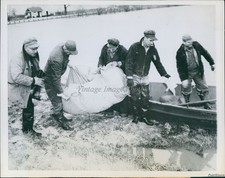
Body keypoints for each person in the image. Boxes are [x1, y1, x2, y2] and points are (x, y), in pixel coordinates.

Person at [125, 30, 171, 125]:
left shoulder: (153, 49)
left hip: (145, 77)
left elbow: (157, 63)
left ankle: (144, 117)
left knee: (145, 98)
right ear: (145, 38)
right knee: (134, 97)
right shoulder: (134, 47)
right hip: (134, 76)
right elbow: (128, 62)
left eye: (153, 41)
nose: (152, 43)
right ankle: (136, 116)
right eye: (150, 40)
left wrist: (165, 74)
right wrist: (129, 77)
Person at [8, 37, 44, 137]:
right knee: (28, 107)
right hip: (19, 87)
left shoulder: (33, 55)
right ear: (25, 47)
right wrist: (34, 80)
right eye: (33, 49)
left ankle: (28, 128)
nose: (36, 51)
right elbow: (16, 77)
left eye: (37, 48)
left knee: (30, 106)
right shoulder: (17, 59)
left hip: (29, 85)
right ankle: (27, 131)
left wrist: (41, 74)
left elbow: (35, 68)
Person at [44, 40, 78, 130]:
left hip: (54, 77)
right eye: (70, 53)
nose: (71, 54)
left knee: (58, 99)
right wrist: (61, 92)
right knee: (57, 100)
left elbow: (65, 57)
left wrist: (68, 64)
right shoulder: (56, 58)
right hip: (49, 79)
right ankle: (61, 121)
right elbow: (55, 78)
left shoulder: (63, 45)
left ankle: (59, 115)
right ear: (66, 50)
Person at [176, 35, 215, 109]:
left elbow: (205, 53)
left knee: (204, 88)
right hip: (187, 74)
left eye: (191, 41)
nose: (191, 43)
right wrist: (183, 79)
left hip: (198, 72)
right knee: (186, 89)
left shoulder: (196, 45)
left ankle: (206, 104)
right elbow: (179, 67)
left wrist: (212, 63)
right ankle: (186, 105)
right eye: (188, 42)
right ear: (184, 43)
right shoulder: (180, 52)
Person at [97, 38, 130, 117]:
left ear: (117, 47)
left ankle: (123, 111)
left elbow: (129, 61)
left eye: (113, 48)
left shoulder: (123, 50)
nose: (111, 49)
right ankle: (109, 110)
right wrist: (100, 65)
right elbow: (101, 58)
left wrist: (118, 63)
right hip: (108, 73)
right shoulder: (105, 47)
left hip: (119, 74)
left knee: (121, 90)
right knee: (108, 90)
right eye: (109, 47)